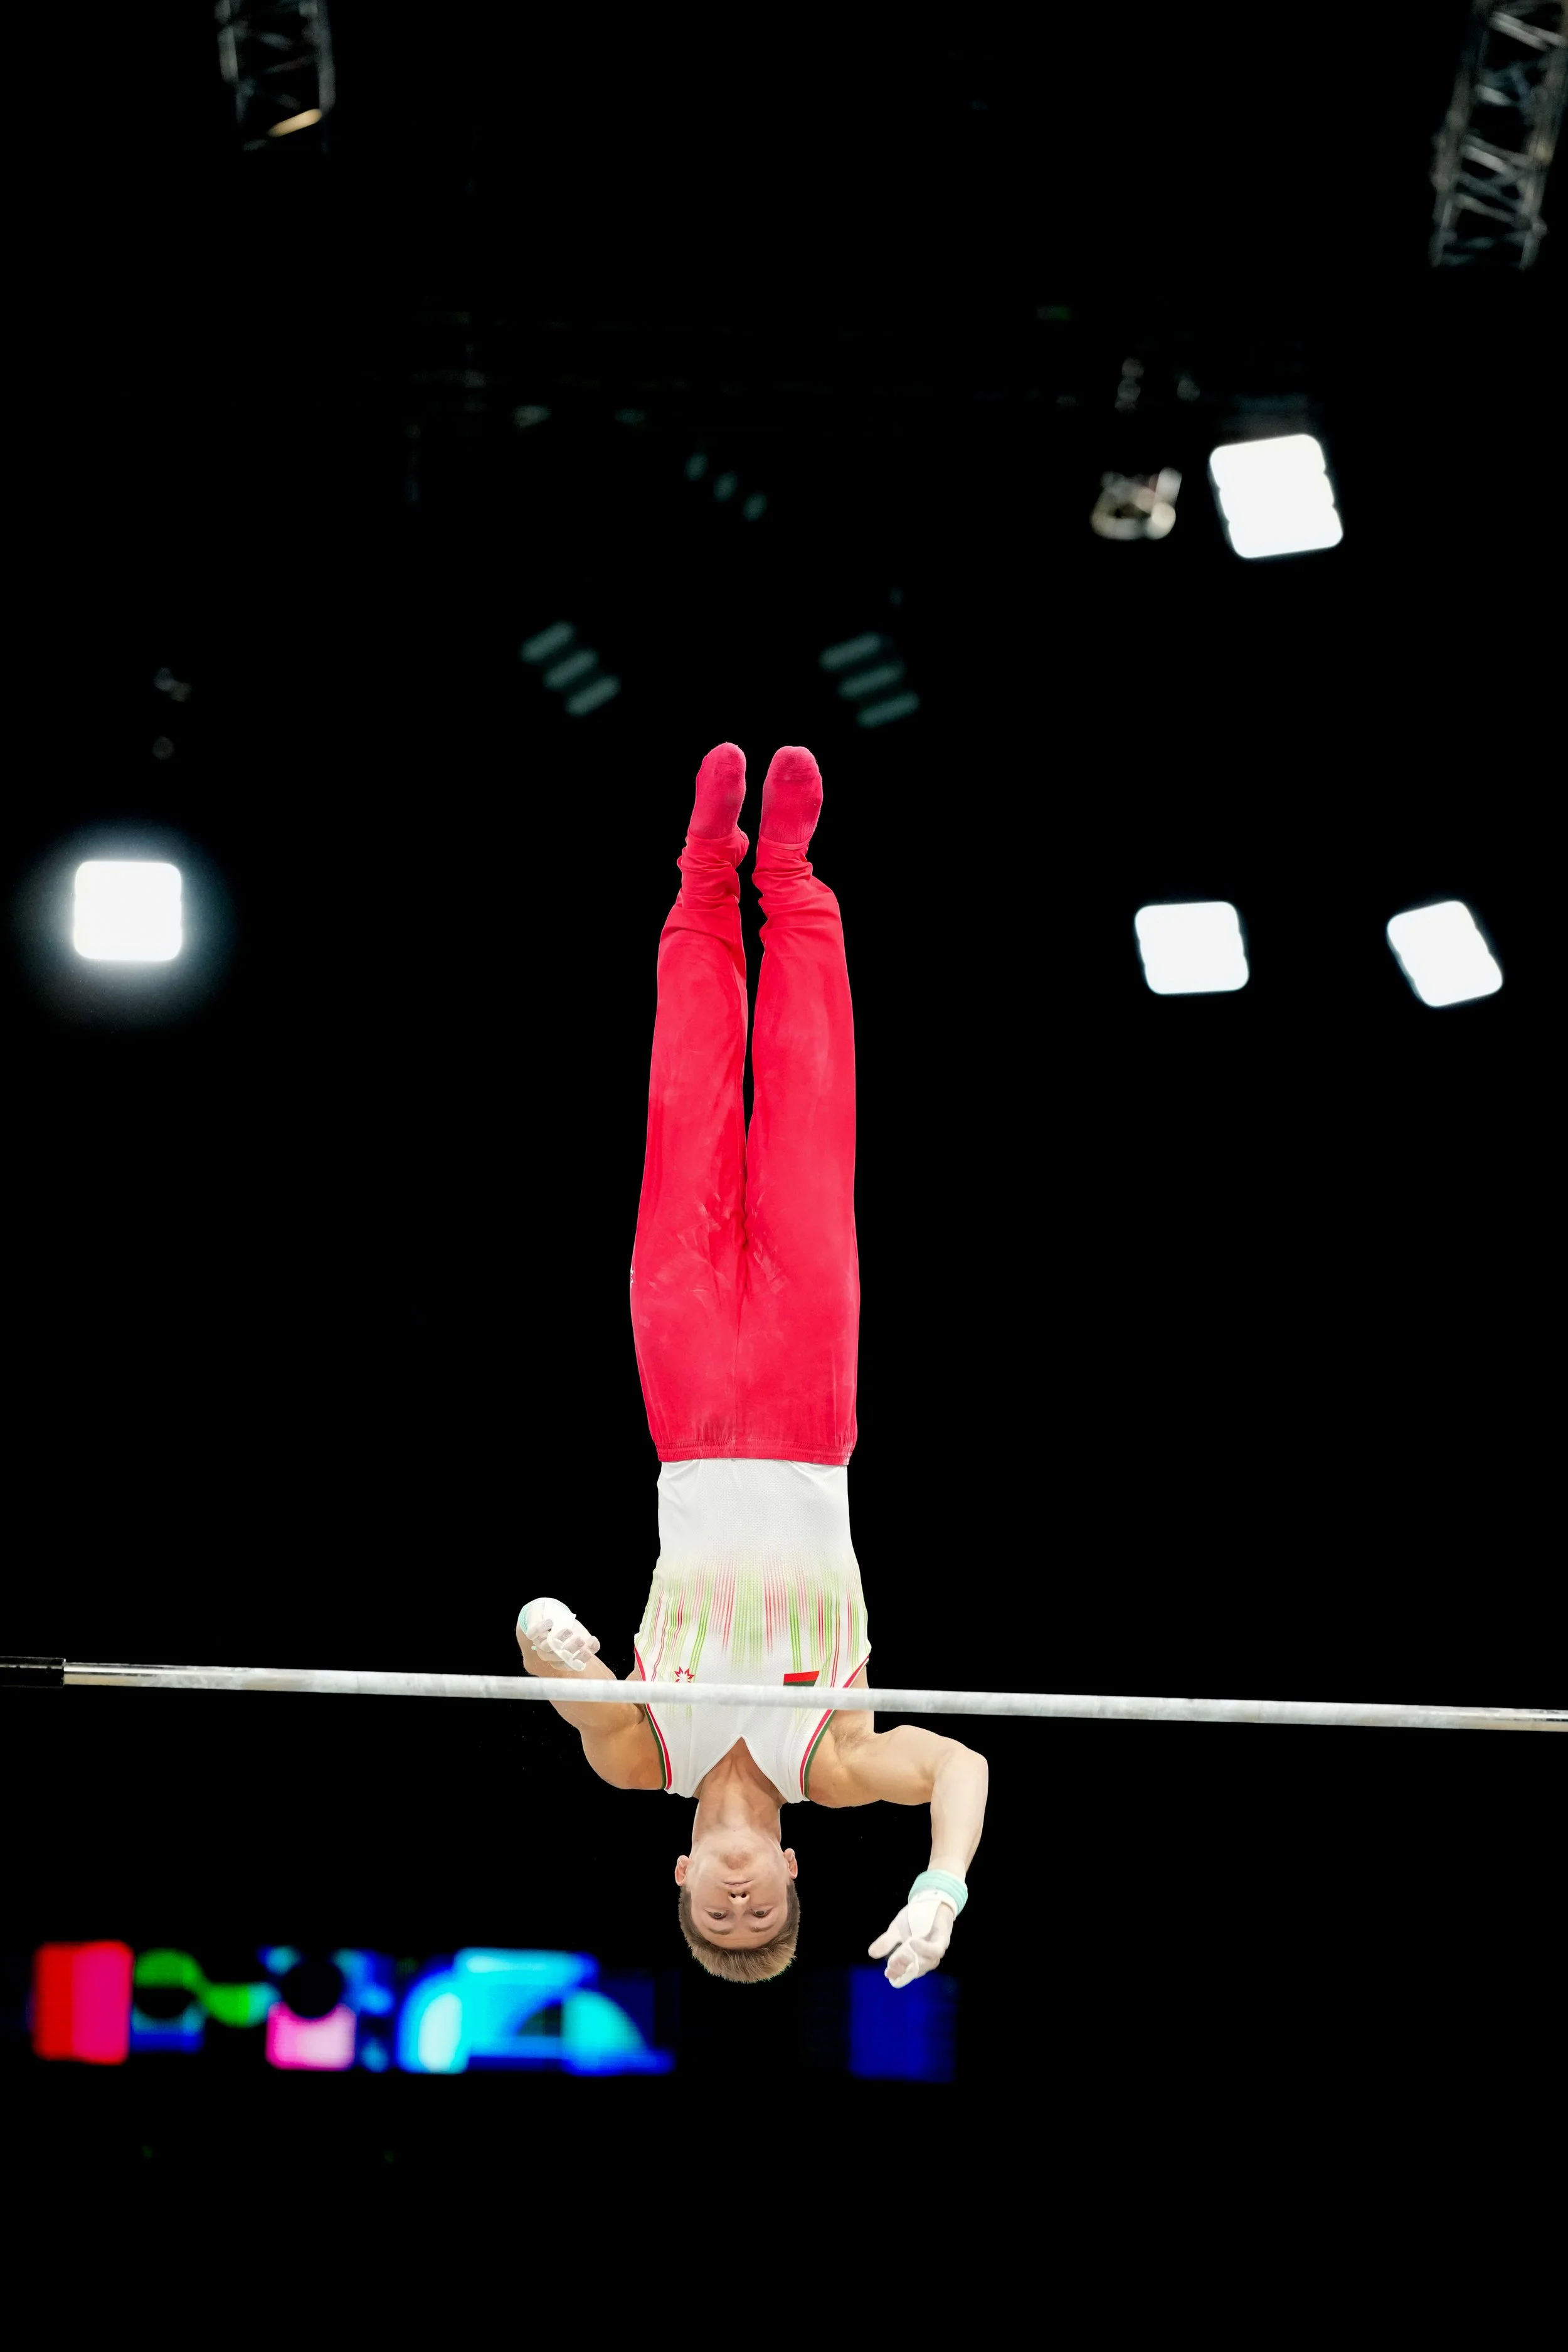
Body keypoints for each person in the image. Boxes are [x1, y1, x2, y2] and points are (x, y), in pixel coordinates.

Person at [517, 743, 988, 1986]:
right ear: (792, 1880)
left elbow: (548, 1662)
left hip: (684, 1409)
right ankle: (788, 878)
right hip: (802, 1412)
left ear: (676, 1877)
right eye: (759, 1914)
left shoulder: (640, 1763)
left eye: (714, 1916)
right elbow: (959, 1768)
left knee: (683, 1115)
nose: (736, 1898)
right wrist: (941, 1882)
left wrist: (547, 1644)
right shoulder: (832, 1768)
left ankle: (701, 875)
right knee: (806, 1117)